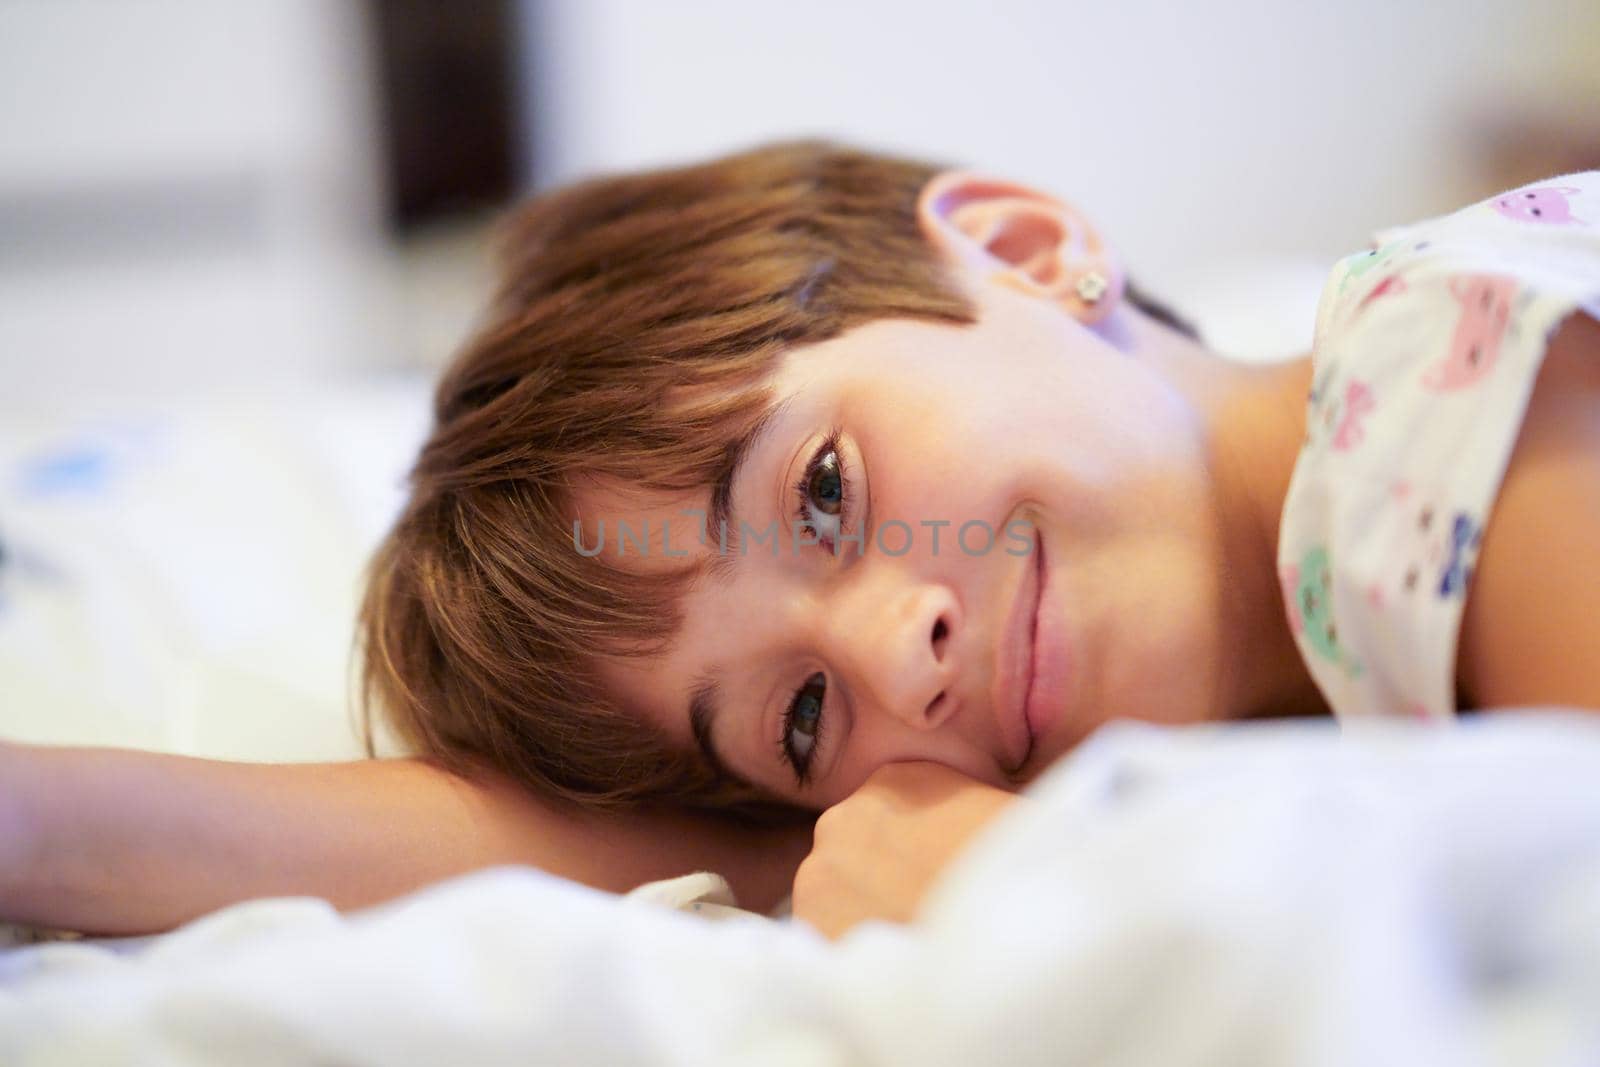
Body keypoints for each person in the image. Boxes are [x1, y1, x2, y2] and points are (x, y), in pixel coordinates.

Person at [3, 143, 1598, 941]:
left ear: (1027, 252)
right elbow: (721, 859)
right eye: (801, 718)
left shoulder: (1442, 391)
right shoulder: (1253, 669)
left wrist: (1058, 874)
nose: (894, 654)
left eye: (823, 491)